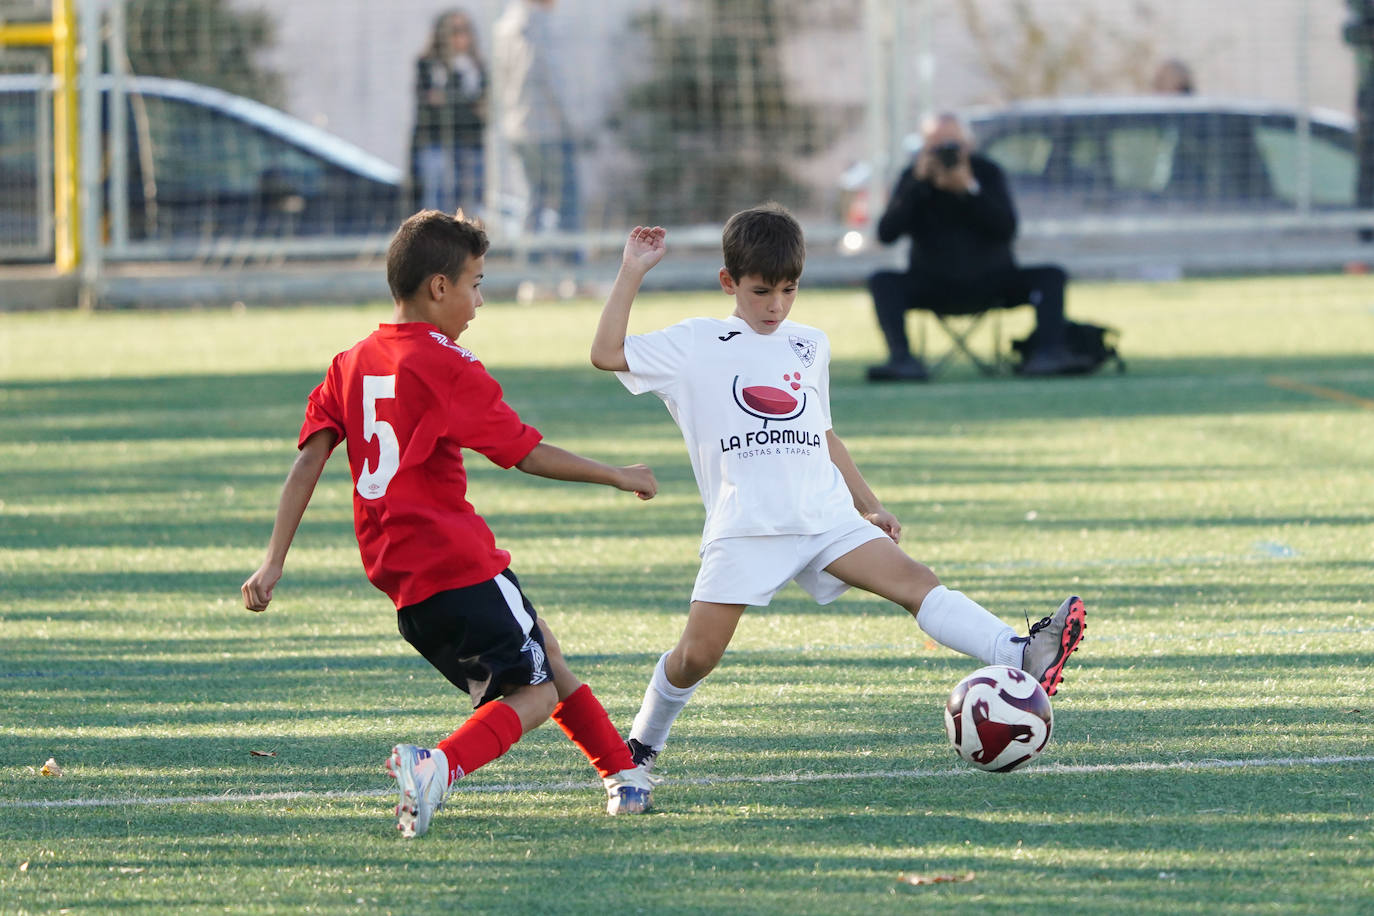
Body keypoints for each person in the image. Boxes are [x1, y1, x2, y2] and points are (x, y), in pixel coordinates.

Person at [589, 204, 1087, 784]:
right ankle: (642, 745)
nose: (776, 306)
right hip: (749, 526)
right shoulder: (697, 342)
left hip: (824, 514)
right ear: (729, 283)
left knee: (916, 581)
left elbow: (820, 432)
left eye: (789, 290)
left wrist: (867, 502)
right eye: (761, 292)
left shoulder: (809, 344)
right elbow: (606, 353)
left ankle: (1016, 652)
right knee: (696, 656)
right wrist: (632, 271)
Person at [241, 210, 657, 838]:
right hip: (458, 561)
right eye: (476, 284)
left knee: (542, 651)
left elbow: (307, 463)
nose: (479, 301)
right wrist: (617, 473)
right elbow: (525, 452)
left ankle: (623, 774)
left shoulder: (351, 361)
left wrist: (274, 560)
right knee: (534, 694)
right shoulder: (447, 364)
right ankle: (437, 767)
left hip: (404, 583)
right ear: (439, 288)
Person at [865, 113, 1092, 381]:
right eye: (937, 145)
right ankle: (902, 359)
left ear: (968, 145)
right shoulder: (913, 178)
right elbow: (886, 233)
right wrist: (917, 184)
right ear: (924, 147)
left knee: (1051, 276)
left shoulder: (987, 172)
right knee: (882, 281)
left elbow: (1006, 228)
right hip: (931, 283)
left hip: (993, 281)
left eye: (953, 145)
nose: (946, 153)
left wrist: (970, 190)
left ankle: (1048, 354)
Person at [491, 0, 580, 235]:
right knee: (567, 197)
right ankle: (572, 258)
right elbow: (550, 80)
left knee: (532, 198)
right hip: (547, 128)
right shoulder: (537, 25)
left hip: (517, 126)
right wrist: (572, 123)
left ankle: (531, 259)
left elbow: (501, 80)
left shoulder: (504, 26)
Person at [410, 9, 488, 215]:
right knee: (437, 201)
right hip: (435, 142)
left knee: (469, 204)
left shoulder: (476, 67)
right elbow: (431, 107)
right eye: (453, 31)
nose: (460, 37)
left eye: (464, 30)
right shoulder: (428, 65)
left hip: (469, 142)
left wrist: (450, 101)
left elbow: (482, 108)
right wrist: (466, 105)